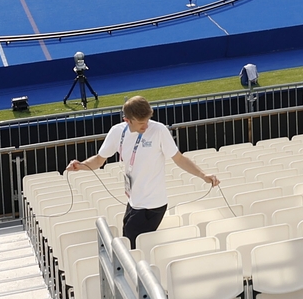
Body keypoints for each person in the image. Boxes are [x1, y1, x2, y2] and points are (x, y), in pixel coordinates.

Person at [68, 94, 218, 243]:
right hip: (134, 201)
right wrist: (80, 166)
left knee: (131, 246)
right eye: (141, 123)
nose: (146, 126)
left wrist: (203, 175)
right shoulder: (116, 132)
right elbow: (99, 160)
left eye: (147, 121)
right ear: (127, 120)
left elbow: (179, 158)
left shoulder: (159, 130)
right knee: (128, 241)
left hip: (153, 204)